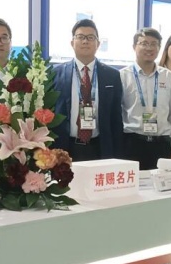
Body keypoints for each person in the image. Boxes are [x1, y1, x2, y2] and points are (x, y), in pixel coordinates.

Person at [51, 19, 124, 161]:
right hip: (65, 148)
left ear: (98, 44)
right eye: (80, 37)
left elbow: (116, 118)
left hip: (100, 148)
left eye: (90, 37)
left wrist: (117, 155)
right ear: (72, 42)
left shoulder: (112, 75)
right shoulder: (54, 74)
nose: (85, 41)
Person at [120, 28, 171, 170]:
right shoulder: (123, 76)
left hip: (161, 145)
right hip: (132, 144)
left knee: (162, 183)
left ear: (159, 48)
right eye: (144, 43)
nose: (149, 48)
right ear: (134, 46)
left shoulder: (168, 76)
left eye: (154, 44)